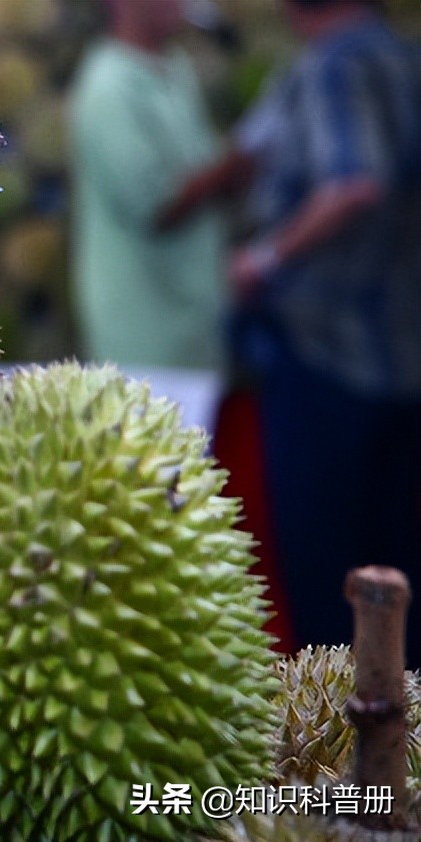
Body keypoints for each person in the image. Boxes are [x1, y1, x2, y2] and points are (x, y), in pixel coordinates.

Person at [170, 0, 421, 664]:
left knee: (329, 587)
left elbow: (354, 182)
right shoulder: (403, 57)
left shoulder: (335, 66)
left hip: (326, 359)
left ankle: (344, 754)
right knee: (402, 575)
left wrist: (264, 258)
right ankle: (405, 749)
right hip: (402, 358)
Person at [68, 0, 228, 372]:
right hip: (143, 334)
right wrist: (232, 170)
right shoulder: (107, 87)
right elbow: (154, 206)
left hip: (196, 321)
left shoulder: (176, 68)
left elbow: (201, 162)